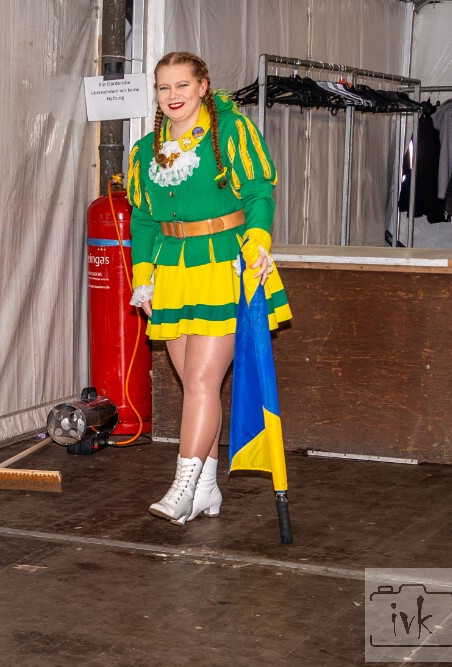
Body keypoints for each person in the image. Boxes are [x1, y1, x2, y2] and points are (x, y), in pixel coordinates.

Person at [127, 52, 292, 525]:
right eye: (164, 87)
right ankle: (206, 489)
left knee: (200, 382)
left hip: (224, 264)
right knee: (197, 386)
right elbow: (143, 218)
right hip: (172, 271)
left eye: (182, 85)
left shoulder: (232, 131)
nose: (173, 95)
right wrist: (143, 275)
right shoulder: (146, 150)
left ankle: (182, 486)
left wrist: (258, 240)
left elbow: (259, 192)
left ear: (203, 86)